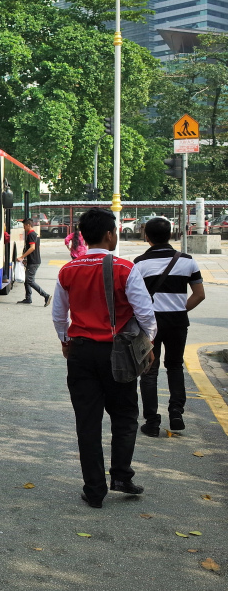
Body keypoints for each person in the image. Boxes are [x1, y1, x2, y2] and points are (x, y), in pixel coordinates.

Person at [51, 207, 157, 508]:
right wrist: (147, 344)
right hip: (117, 352)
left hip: (81, 351)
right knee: (124, 416)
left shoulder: (68, 270)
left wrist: (65, 341)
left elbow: (59, 315)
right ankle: (121, 475)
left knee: (87, 421)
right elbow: (145, 313)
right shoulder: (124, 268)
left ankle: (94, 489)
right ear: (110, 234)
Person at [134, 216, 205, 436]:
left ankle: (152, 422)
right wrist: (180, 309)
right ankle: (176, 414)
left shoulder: (139, 264)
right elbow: (199, 294)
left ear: (147, 236)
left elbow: (134, 299)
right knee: (174, 366)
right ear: (171, 234)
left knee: (149, 371)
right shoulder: (187, 261)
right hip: (177, 322)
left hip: (149, 325)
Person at [15, 217, 51, 306]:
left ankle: (45, 295)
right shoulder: (35, 234)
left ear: (28, 225)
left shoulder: (31, 234)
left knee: (30, 281)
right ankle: (28, 298)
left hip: (34, 261)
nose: (23, 228)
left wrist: (22, 257)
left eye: (24, 226)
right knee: (27, 280)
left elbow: (32, 248)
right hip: (33, 260)